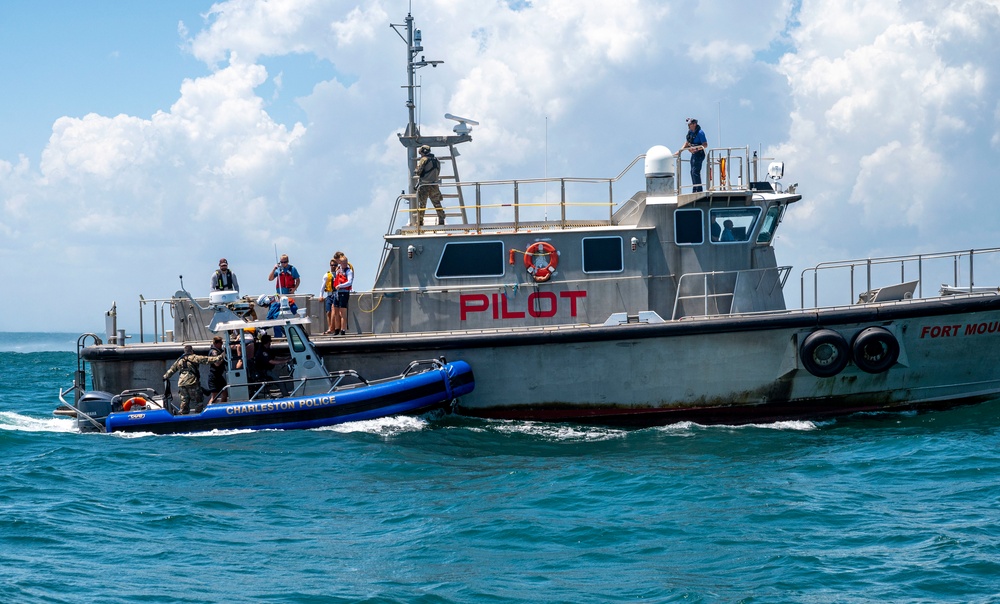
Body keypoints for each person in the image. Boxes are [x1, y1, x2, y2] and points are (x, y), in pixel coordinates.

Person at [163, 344, 218, 415]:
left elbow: (171, 370)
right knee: (198, 401)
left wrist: (165, 377)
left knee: (184, 402)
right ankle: (199, 416)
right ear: (191, 351)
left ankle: (183, 417)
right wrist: (219, 357)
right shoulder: (194, 357)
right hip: (192, 382)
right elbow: (206, 359)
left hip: (182, 384)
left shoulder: (180, 360)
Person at [413, 145, 445, 226]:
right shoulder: (436, 160)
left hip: (424, 185)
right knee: (437, 202)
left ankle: (420, 221)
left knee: (422, 204)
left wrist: (416, 170)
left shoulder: (424, 159)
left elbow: (418, 171)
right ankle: (441, 219)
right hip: (434, 184)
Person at [674, 118, 708, 193]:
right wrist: (680, 151)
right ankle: (695, 189)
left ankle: (698, 190)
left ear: (694, 124)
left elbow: (705, 145)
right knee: (692, 172)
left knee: (695, 171)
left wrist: (696, 149)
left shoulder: (700, 132)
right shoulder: (690, 132)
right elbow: (687, 143)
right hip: (694, 154)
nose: (688, 126)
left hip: (699, 154)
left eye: (690, 124)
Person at [331, 251, 354, 335]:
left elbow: (349, 282)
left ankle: (343, 329)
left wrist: (340, 286)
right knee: (336, 311)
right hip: (337, 293)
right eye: (342, 262)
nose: (343, 264)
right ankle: (337, 329)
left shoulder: (349, 271)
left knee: (342, 312)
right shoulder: (338, 270)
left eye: (345, 262)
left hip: (344, 292)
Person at [207, 335, 228, 405]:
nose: (221, 344)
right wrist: (223, 354)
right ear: (216, 343)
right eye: (220, 343)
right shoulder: (214, 352)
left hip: (219, 376)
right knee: (214, 398)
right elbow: (217, 363)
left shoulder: (219, 351)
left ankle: (222, 408)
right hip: (214, 377)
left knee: (225, 395)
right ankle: (209, 412)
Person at [320, 258, 338, 334]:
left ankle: (333, 328)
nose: (333, 266)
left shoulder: (339, 274)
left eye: (335, 265)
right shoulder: (327, 275)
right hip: (329, 295)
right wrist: (321, 295)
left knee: (334, 311)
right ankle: (330, 327)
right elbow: (323, 286)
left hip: (336, 295)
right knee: (328, 312)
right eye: (332, 265)